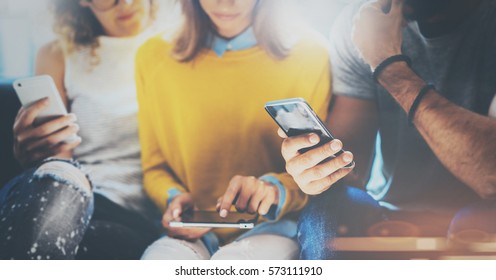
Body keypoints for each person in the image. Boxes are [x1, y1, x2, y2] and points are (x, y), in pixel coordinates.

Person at [279, 0, 496, 259]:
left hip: (482, 210)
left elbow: (491, 176)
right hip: (392, 210)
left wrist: (388, 65)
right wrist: (317, 170)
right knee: (329, 207)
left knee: (478, 221)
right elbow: (351, 167)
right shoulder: (360, 21)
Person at [136, 0, 333, 259]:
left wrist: (273, 189)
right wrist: (173, 197)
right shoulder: (152, 56)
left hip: (272, 228)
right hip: (191, 231)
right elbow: (154, 167)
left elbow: (318, 168)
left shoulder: (311, 54)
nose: (224, 3)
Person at [0, 0, 166, 260]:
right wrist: (35, 157)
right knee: (58, 187)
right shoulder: (58, 54)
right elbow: (60, 159)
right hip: (66, 189)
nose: (125, 3)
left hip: (131, 215)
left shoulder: (178, 46)